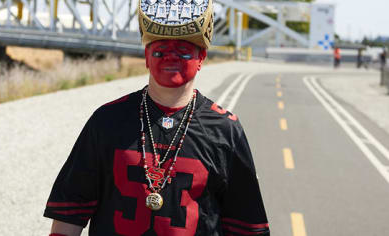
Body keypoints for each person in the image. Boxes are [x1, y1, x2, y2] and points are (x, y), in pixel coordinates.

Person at [43, 0, 269, 235]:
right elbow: (69, 213)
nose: (171, 58)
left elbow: (247, 226)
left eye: (183, 51)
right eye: (160, 50)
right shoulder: (107, 120)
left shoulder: (225, 130)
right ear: (146, 57)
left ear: (201, 57)